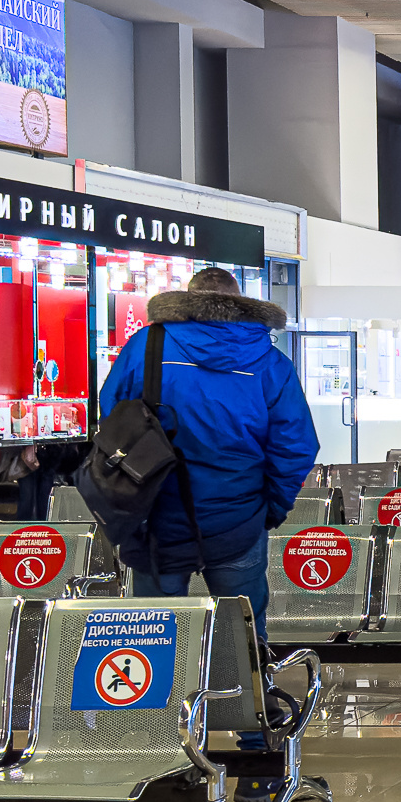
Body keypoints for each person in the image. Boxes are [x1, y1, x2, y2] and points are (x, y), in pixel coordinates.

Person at [96, 268, 317, 634]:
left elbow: (112, 416)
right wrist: (271, 508)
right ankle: (241, 672)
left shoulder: (147, 345)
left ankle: (165, 673)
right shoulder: (268, 360)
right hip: (238, 518)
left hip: (157, 515)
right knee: (241, 635)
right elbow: (296, 445)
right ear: (240, 301)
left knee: (153, 635)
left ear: (188, 298)